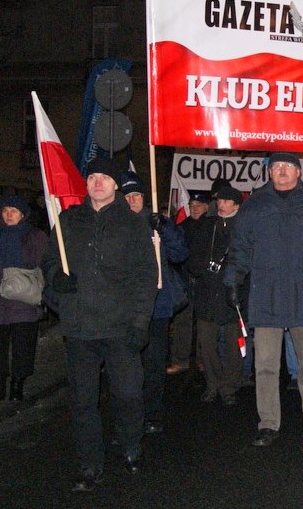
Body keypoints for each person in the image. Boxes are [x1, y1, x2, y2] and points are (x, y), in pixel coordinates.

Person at [42, 157, 158, 491]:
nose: (97, 182)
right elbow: (49, 258)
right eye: (92, 176)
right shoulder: (68, 220)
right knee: (82, 401)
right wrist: (55, 278)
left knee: (129, 394)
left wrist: (140, 322)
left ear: (115, 185)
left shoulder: (133, 223)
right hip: (80, 329)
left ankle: (130, 443)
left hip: (121, 328)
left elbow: (145, 275)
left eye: (104, 177)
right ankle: (90, 465)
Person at [223, 152, 303, 447]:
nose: (281, 171)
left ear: (298, 171)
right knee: (266, 365)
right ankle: (268, 422)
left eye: (287, 167)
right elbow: (239, 247)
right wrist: (233, 280)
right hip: (265, 295)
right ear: (269, 172)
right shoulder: (254, 205)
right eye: (276, 167)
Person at [119, 171, 190, 433]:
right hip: (124, 309)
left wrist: (166, 227)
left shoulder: (156, 223)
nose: (133, 201)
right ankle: (129, 417)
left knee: (154, 362)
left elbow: (181, 253)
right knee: (127, 366)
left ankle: (152, 413)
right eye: (127, 197)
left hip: (157, 307)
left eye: (137, 195)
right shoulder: (115, 224)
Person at [0, 195, 49, 402]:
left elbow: (44, 266)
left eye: (14, 210)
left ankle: (17, 385)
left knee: (23, 346)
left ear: (23, 214)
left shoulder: (35, 236)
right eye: (5, 210)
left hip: (24, 301)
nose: (8, 214)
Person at [190, 183, 245, 405]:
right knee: (207, 343)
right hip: (208, 293)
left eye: (225, 201)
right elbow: (192, 256)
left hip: (232, 296)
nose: (220, 204)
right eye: (219, 201)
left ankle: (229, 387)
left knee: (233, 344)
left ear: (236, 204)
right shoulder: (207, 226)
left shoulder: (243, 229)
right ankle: (212, 383)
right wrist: (202, 270)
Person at [170, 191, 210, 374]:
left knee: (204, 323)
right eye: (192, 205)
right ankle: (181, 360)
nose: (195, 209)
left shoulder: (212, 226)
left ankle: (203, 360)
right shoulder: (181, 227)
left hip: (204, 281)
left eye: (199, 205)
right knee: (182, 322)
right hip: (185, 280)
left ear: (206, 207)